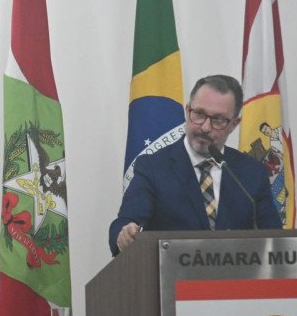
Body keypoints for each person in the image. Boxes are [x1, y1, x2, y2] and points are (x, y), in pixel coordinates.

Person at [109, 74, 283, 255]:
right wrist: (124, 235)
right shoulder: (153, 167)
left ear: (234, 124)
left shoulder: (252, 173)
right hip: (170, 271)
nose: (205, 127)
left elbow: (276, 240)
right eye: (199, 114)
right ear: (187, 110)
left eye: (218, 119)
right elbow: (125, 223)